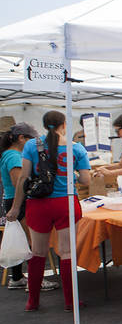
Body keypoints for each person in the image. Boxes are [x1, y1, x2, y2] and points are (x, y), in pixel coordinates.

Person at [5, 111, 91, 311]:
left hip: (38, 204)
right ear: (64, 124)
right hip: (66, 203)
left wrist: (16, 207)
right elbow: (87, 180)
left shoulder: (30, 146)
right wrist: (73, 175)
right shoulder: (75, 148)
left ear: (44, 125)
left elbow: (23, 178)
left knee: (38, 252)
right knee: (67, 252)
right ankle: (70, 301)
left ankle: (32, 301)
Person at [2, 123, 59, 292]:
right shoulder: (13, 156)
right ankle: (37, 281)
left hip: (11, 200)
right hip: (18, 201)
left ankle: (18, 278)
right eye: (31, 139)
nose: (33, 143)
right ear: (21, 138)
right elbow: (18, 181)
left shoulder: (8, 154)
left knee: (22, 239)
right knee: (32, 242)